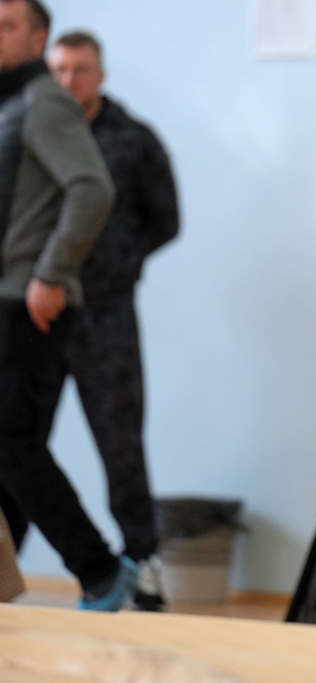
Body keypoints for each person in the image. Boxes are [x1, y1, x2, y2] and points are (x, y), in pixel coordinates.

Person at [39, 31, 180, 611]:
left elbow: (165, 220)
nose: (69, 80)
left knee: (121, 445)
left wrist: (115, 265)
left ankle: (142, 565)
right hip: (36, 312)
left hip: (105, 313)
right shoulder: (32, 129)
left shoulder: (133, 140)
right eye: (59, 69)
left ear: (100, 75)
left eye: (80, 69)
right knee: (17, 443)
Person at [0, 0, 132, 610]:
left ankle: (101, 572)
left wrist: (50, 274)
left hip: (27, 303)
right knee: (10, 448)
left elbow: (91, 188)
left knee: (12, 443)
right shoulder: (12, 102)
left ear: (38, 39)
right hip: (9, 297)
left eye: (8, 26)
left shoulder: (44, 101)